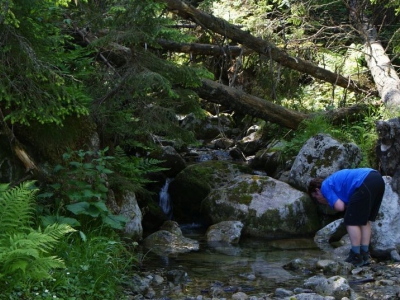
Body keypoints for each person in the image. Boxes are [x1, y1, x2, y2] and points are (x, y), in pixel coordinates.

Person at [308, 168, 385, 267]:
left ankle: (355, 255)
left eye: (316, 197)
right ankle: (365, 255)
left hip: (364, 181)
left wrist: (329, 201)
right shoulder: (333, 183)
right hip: (377, 179)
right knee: (364, 221)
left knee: (350, 221)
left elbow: (340, 207)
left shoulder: (325, 186)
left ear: (317, 191)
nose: (318, 201)